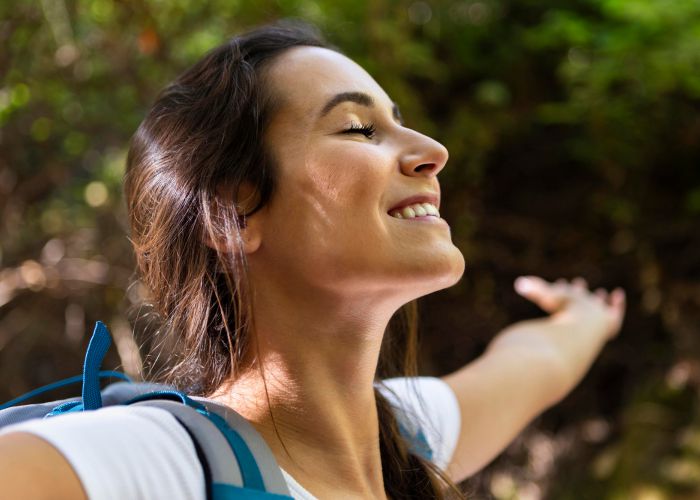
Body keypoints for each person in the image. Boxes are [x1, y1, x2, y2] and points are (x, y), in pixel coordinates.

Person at [0, 21, 626, 499]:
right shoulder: (163, 462)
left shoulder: (405, 439)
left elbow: (538, 361)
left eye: (401, 123)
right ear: (238, 210)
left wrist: (584, 315)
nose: (432, 151)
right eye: (358, 129)